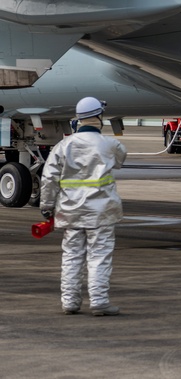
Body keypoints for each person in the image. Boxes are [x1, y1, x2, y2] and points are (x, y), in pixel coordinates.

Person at [39, 97, 128, 316]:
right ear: (99, 116)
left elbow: (49, 178)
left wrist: (47, 206)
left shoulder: (63, 146)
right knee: (99, 256)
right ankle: (99, 301)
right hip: (101, 212)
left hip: (71, 212)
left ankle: (70, 302)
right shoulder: (111, 145)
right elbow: (120, 160)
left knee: (72, 256)